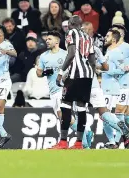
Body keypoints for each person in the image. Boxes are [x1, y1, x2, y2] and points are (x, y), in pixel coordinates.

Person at [54, 15, 95, 149]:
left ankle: (63, 142)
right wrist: (90, 75)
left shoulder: (71, 33)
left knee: (66, 105)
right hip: (87, 75)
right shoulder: (88, 37)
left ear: (71, 24)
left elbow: (71, 54)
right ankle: (78, 143)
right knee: (81, 108)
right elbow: (92, 60)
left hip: (74, 75)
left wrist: (61, 73)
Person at [101, 29, 129, 149]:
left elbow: (124, 68)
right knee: (104, 116)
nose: (104, 37)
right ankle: (113, 142)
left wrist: (106, 71)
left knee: (108, 114)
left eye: (107, 36)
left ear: (113, 39)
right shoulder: (108, 51)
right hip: (106, 86)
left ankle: (121, 136)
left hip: (114, 87)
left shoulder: (117, 52)